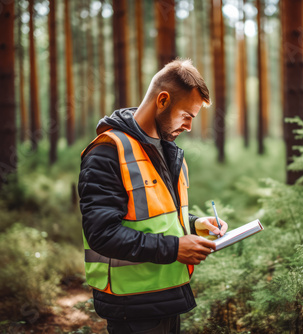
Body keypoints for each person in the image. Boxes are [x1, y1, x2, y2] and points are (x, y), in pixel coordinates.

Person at [78, 59, 228, 334]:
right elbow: (102, 233)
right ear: (162, 100)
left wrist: (195, 223)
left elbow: (155, 215)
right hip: (132, 306)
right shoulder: (107, 153)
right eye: (187, 115)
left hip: (166, 295)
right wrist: (174, 248)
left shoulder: (168, 150)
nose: (189, 127)